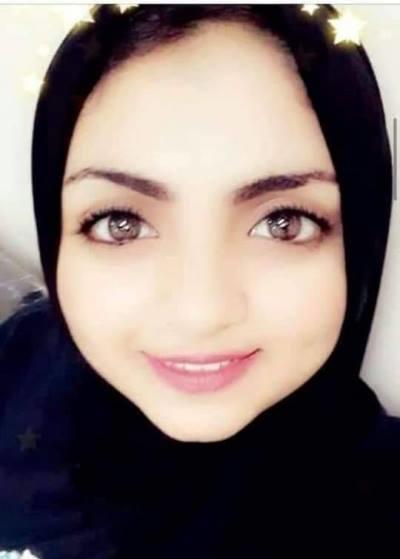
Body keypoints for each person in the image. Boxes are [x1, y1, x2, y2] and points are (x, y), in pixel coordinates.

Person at [1, 4, 399, 558]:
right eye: (121, 223)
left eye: (284, 223)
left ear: (358, 240)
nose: (200, 312)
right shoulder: (16, 359)